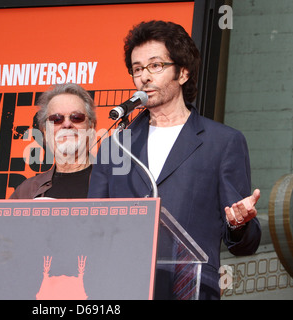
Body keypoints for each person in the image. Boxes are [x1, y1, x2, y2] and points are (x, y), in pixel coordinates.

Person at [87, 20, 261, 299]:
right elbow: (91, 225)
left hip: (190, 289)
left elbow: (245, 245)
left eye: (155, 66)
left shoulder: (223, 142)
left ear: (182, 73)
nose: (144, 77)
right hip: (121, 289)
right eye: (137, 69)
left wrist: (239, 224)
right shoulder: (116, 145)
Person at [10, 83, 96, 199]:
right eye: (56, 119)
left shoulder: (112, 183)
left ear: (91, 127)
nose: (66, 124)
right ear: (45, 131)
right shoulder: (27, 191)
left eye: (76, 117)